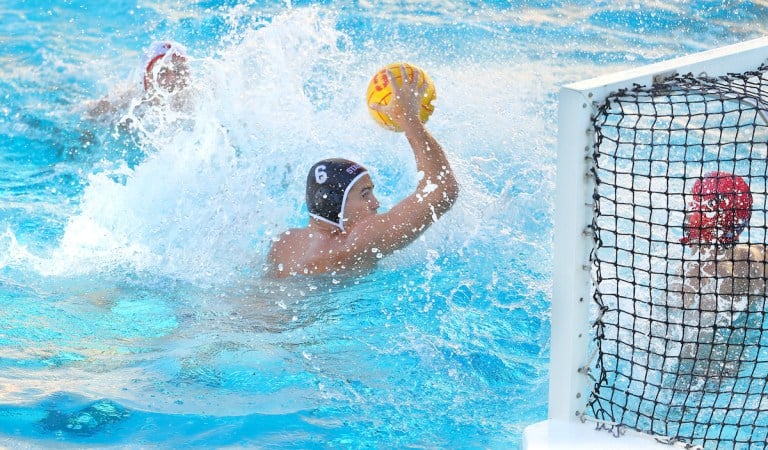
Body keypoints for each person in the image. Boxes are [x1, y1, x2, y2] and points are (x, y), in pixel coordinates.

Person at [268, 65, 459, 277]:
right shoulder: (353, 244)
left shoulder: (284, 243)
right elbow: (443, 191)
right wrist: (408, 118)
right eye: (364, 194)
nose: (376, 203)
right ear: (333, 203)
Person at [675, 171, 766, 377]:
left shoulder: (687, 274)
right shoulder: (757, 259)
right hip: (740, 357)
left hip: (696, 359)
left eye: (694, 203)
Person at [85, 40, 190, 119]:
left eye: (178, 70)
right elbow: (87, 114)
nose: (172, 79)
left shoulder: (195, 101)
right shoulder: (124, 101)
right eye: (161, 72)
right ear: (144, 77)